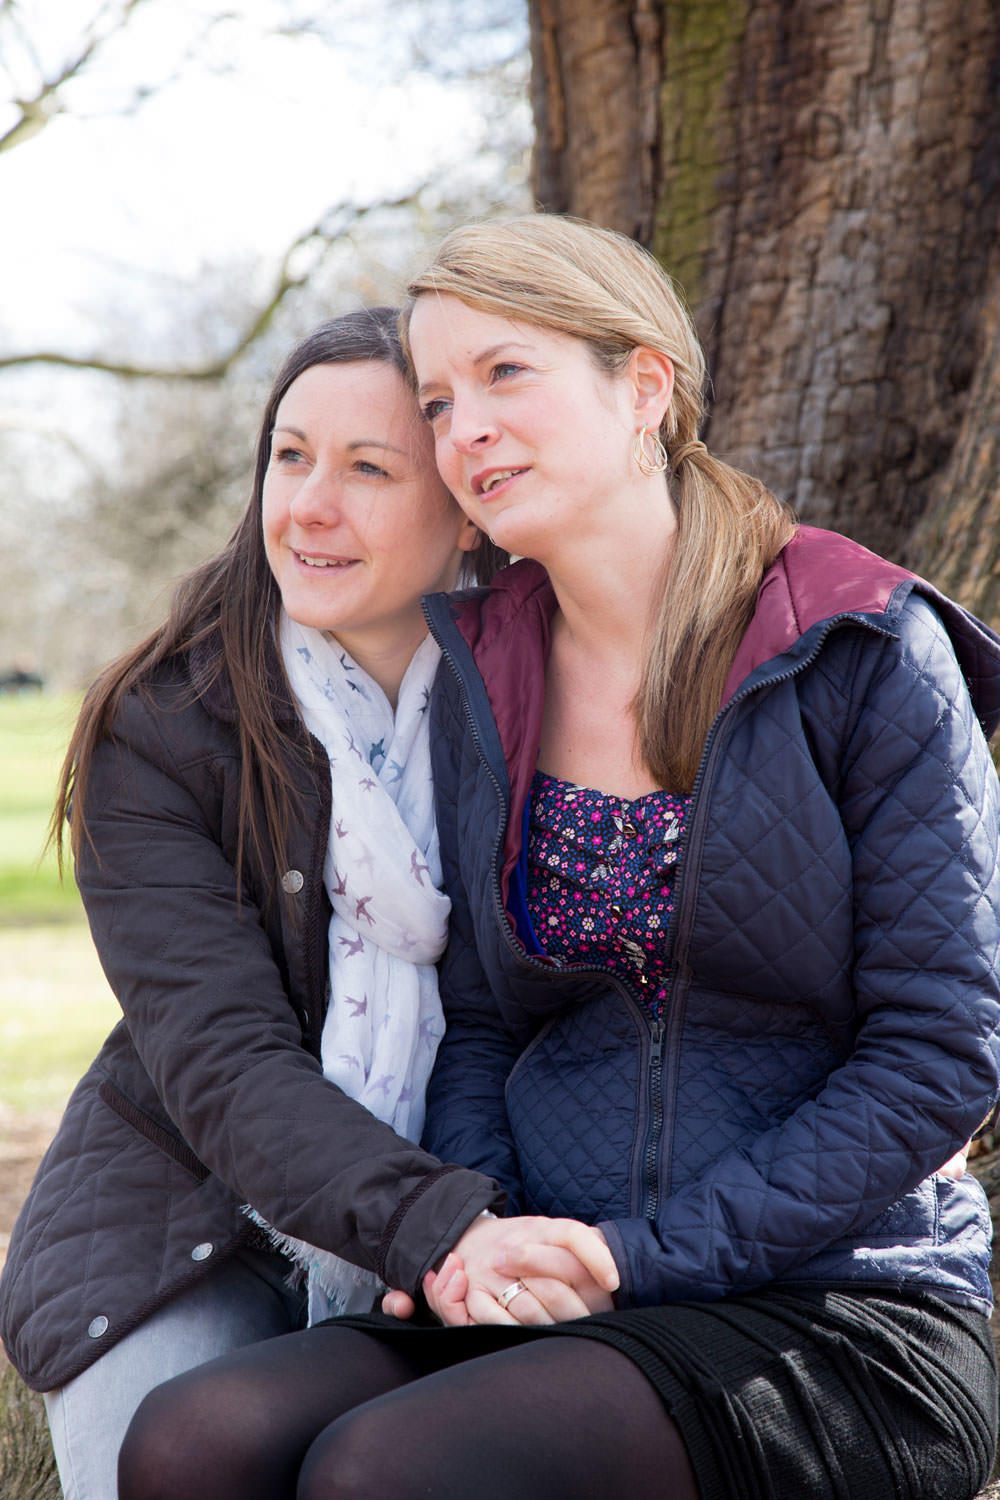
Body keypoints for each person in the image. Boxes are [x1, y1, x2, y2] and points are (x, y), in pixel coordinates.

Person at [116, 216, 1000, 1500]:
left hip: (836, 1299)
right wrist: (493, 1241)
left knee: (388, 1471)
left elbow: (940, 1055)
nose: (459, 427)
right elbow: (483, 1024)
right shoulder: (486, 670)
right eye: (436, 398)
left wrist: (632, 1257)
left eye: (504, 375)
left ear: (643, 387)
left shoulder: (858, 648)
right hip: (551, 1283)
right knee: (195, 1439)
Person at [0, 307, 511, 1500]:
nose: (307, 507)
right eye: (289, 456)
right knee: (156, 1458)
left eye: (369, 469)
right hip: (186, 1205)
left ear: (464, 506)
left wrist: (469, 1226)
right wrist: (435, 1227)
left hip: (482, 1195)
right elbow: (224, 1065)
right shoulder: (165, 724)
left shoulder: (546, 696)